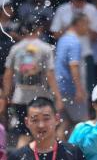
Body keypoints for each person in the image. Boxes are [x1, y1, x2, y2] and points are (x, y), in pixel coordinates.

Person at [1, 18, 63, 147]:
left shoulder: (15, 49)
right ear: (38, 30)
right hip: (41, 97)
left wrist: (6, 95)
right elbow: (50, 74)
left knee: (24, 134)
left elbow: (7, 74)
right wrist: (58, 96)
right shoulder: (45, 48)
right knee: (46, 133)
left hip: (20, 96)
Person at [54, 13, 91, 130]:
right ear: (79, 24)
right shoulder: (74, 42)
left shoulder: (63, 39)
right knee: (84, 123)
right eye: (86, 24)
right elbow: (73, 66)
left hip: (61, 87)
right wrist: (79, 90)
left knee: (64, 124)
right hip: (71, 89)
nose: (88, 28)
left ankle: (60, 148)